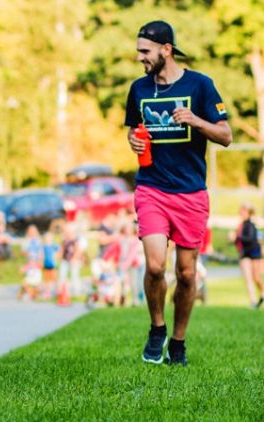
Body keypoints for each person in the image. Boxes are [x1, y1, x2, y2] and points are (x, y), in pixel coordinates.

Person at [125, 20, 232, 365]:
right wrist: (133, 141)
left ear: (166, 50)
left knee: (186, 273)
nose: (140, 57)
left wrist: (196, 121)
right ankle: (157, 328)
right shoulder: (138, 89)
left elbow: (226, 135)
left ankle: (178, 342)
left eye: (145, 51)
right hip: (152, 187)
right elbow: (133, 133)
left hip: (190, 192)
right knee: (156, 266)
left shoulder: (200, 85)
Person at [229, 202, 264, 309]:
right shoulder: (240, 226)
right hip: (245, 254)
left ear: (249, 212)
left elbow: (251, 239)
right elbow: (238, 242)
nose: (241, 213)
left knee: (256, 277)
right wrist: (233, 239)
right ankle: (253, 301)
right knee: (248, 278)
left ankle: (262, 292)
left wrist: (237, 238)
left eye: (244, 211)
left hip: (254, 253)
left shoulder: (251, 225)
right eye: (241, 211)